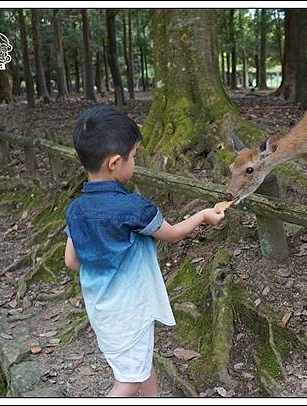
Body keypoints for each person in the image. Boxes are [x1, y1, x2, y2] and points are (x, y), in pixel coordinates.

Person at [63, 105, 225, 397]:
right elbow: (173, 234)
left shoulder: (75, 211)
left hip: (102, 310)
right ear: (115, 162)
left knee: (139, 363)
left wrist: (102, 265)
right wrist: (203, 215)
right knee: (129, 380)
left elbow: (71, 261)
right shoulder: (133, 208)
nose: (135, 162)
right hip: (130, 310)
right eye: (134, 156)